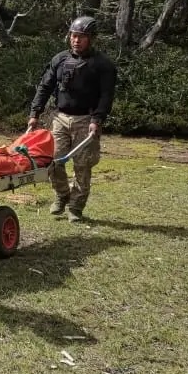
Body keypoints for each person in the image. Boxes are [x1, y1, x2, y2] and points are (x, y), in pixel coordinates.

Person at [28, 15, 118, 223]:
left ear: (91, 39)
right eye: (74, 36)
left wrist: (98, 119)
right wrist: (35, 113)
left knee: (82, 166)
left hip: (86, 120)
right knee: (53, 161)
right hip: (60, 118)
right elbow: (45, 87)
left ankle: (76, 207)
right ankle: (62, 195)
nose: (76, 40)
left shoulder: (103, 65)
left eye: (82, 37)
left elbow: (106, 95)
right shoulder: (59, 59)